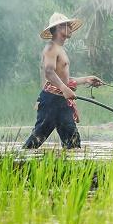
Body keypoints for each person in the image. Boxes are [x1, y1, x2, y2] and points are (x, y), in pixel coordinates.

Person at [23, 12, 104, 149]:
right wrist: (65, 89)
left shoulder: (60, 49)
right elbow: (49, 72)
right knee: (36, 139)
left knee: (73, 143)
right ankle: (18, 163)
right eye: (67, 25)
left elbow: (63, 79)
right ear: (59, 28)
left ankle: (73, 168)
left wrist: (86, 79)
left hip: (62, 102)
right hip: (50, 101)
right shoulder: (51, 48)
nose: (70, 28)